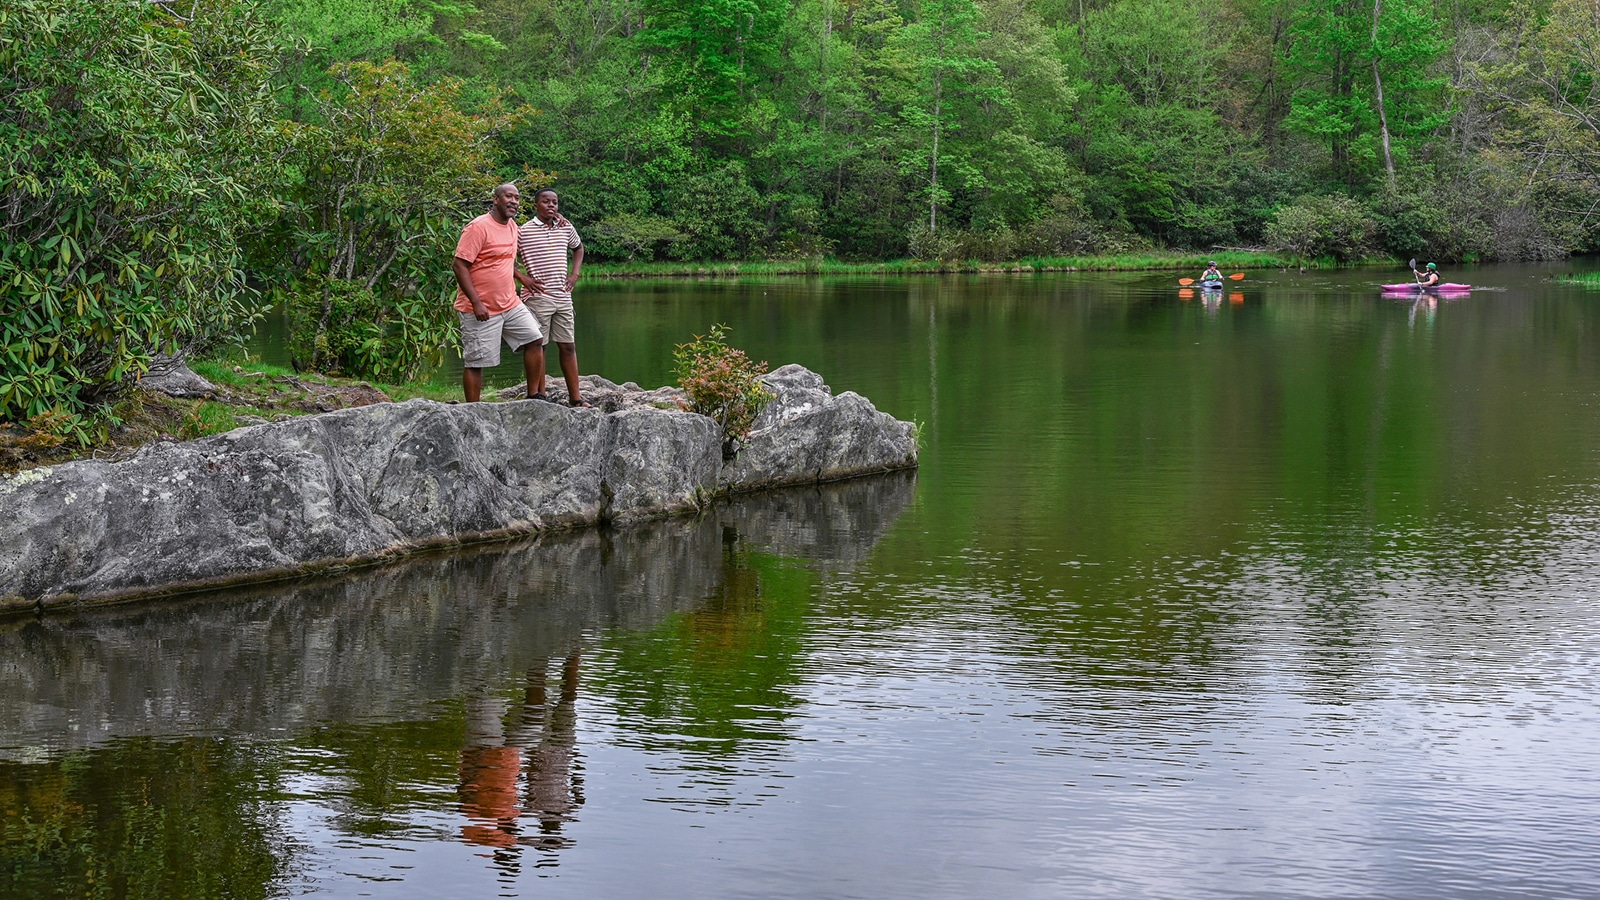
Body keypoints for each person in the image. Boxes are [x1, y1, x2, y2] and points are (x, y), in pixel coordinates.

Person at [453, 183, 544, 402]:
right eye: (508, 197)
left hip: (510, 303)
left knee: (535, 339)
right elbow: (459, 265)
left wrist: (522, 278)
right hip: (480, 308)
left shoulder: (512, 226)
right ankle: (472, 411)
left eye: (517, 198)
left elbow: (502, 260)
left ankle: (534, 396)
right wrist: (476, 302)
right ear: (496, 199)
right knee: (476, 361)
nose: (514, 201)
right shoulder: (478, 227)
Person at [516, 187, 589, 407]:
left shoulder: (565, 227)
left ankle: (576, 399)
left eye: (555, 202)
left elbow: (578, 248)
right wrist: (523, 278)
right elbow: (505, 258)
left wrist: (574, 274)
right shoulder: (523, 231)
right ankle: (540, 396)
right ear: (536, 205)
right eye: (546, 202)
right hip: (538, 296)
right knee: (539, 347)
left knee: (568, 346)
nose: (551, 206)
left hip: (563, 296)